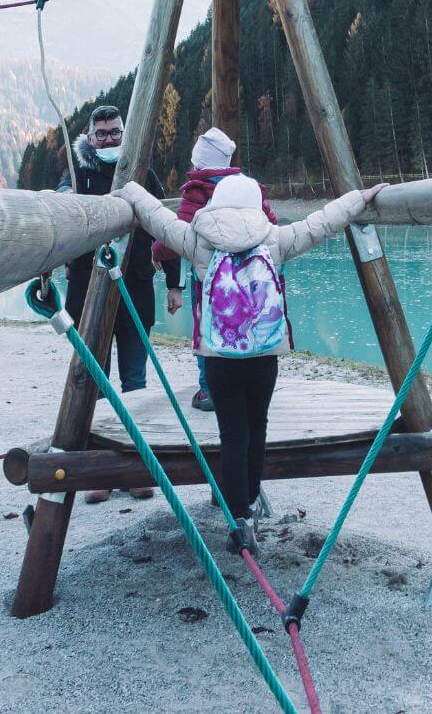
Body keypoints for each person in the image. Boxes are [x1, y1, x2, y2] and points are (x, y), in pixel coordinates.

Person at [116, 173, 388, 554]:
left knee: (232, 434)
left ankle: (237, 516)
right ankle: (252, 497)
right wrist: (360, 196)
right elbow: (323, 222)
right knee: (257, 426)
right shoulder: (274, 239)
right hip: (263, 357)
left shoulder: (196, 240)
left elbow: (155, 216)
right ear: (254, 204)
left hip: (219, 359)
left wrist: (130, 188)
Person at [57, 104, 182, 502]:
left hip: (136, 293)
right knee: (95, 382)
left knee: (135, 384)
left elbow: (166, 228)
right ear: (90, 137)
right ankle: (99, 472)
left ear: (124, 134)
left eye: (115, 132)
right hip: (86, 294)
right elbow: (59, 211)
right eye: (102, 133)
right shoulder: (77, 174)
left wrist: (176, 283)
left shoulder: (142, 172)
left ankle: (134, 468)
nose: (109, 139)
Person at [151, 127, 277, 413]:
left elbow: (179, 234)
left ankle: (209, 391)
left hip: (209, 279)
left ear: (200, 163)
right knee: (248, 324)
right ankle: (247, 386)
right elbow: (271, 224)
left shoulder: (198, 191)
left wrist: (156, 252)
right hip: (249, 278)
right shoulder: (249, 188)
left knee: (207, 331)